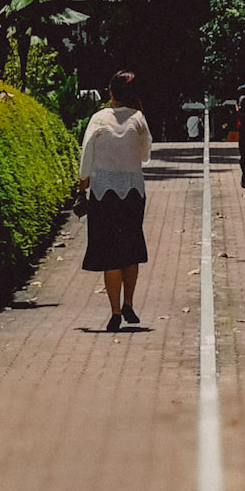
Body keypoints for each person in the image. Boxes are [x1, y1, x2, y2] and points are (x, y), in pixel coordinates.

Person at [77, 71, 153, 332]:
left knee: (109, 253)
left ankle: (115, 311)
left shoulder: (98, 119)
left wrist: (82, 184)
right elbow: (145, 155)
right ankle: (129, 302)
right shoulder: (139, 119)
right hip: (133, 191)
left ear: (110, 92)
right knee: (130, 249)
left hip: (103, 192)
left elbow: (86, 154)